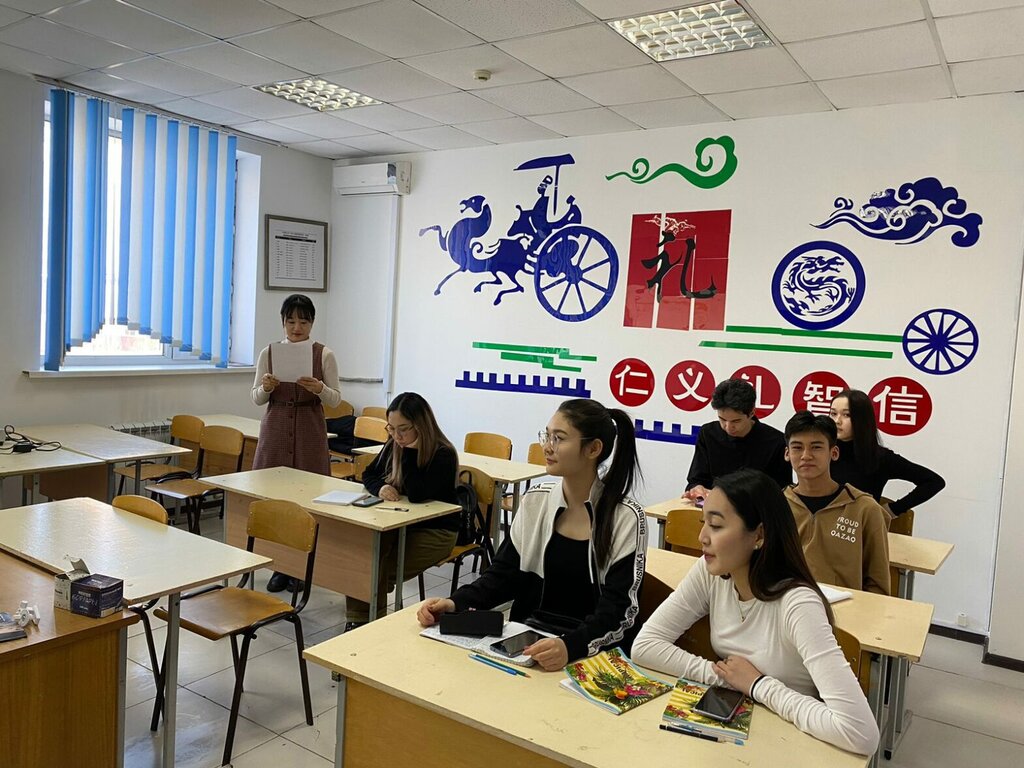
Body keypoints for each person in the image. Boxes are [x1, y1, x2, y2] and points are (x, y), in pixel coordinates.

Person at [633, 469, 879, 755]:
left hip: (793, 744)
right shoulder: (711, 572)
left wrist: (758, 685)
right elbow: (645, 646)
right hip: (739, 736)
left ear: (759, 535)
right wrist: (724, 677)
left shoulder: (798, 604)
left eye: (716, 526)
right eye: (703, 523)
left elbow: (860, 733)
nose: (702, 537)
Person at [416, 398, 646, 671]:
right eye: (546, 436)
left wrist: (570, 647)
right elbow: (502, 576)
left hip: (590, 654)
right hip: (530, 644)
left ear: (593, 448)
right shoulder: (536, 501)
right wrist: (455, 603)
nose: (547, 447)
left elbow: (619, 612)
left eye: (559, 438)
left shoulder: (626, 517)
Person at [345, 392, 459, 631]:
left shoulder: (443, 454)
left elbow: (417, 493)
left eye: (403, 429)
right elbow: (369, 474)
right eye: (391, 428)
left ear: (421, 425)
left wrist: (410, 451)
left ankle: (367, 624)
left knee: (376, 568)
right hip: (399, 524)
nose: (396, 436)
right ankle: (361, 621)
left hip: (435, 532)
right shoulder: (394, 444)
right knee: (364, 556)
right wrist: (381, 487)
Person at [251, 294, 341, 593]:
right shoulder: (269, 352)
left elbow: (336, 399)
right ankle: (278, 566)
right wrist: (266, 387)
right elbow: (256, 398)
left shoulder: (324, 354)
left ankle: (301, 568)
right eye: (290, 321)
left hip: (308, 428)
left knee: (307, 498)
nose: (296, 327)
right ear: (283, 322)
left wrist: (320, 388)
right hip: (276, 426)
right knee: (273, 498)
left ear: (312, 322)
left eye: (303, 321)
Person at [783, 411, 890, 595]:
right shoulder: (776, 505)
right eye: (797, 447)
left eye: (816, 447)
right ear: (787, 453)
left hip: (845, 609)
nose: (806, 456)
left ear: (834, 453)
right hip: (788, 605)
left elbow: (878, 584)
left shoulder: (864, 508)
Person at [829, 389, 945, 517]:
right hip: (819, 525)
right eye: (833, 413)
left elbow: (934, 481)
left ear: (862, 419)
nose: (837, 420)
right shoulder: (822, 451)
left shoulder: (880, 458)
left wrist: (892, 510)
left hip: (857, 527)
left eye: (847, 415)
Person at [683, 378, 791, 501]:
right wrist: (697, 488)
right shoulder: (708, 433)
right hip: (714, 507)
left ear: (751, 413)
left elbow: (782, 492)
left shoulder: (776, 442)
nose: (728, 427)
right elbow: (696, 479)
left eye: (736, 421)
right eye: (722, 419)